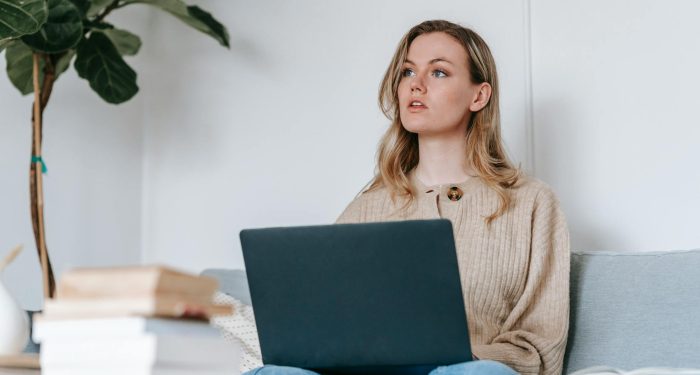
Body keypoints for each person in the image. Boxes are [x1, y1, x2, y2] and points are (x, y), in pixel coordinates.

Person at [245, 19, 570, 375]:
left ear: (479, 96)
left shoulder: (531, 203)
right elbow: (322, 322)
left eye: (439, 73)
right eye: (407, 72)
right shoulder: (368, 206)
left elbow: (540, 344)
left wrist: (471, 359)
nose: (416, 84)